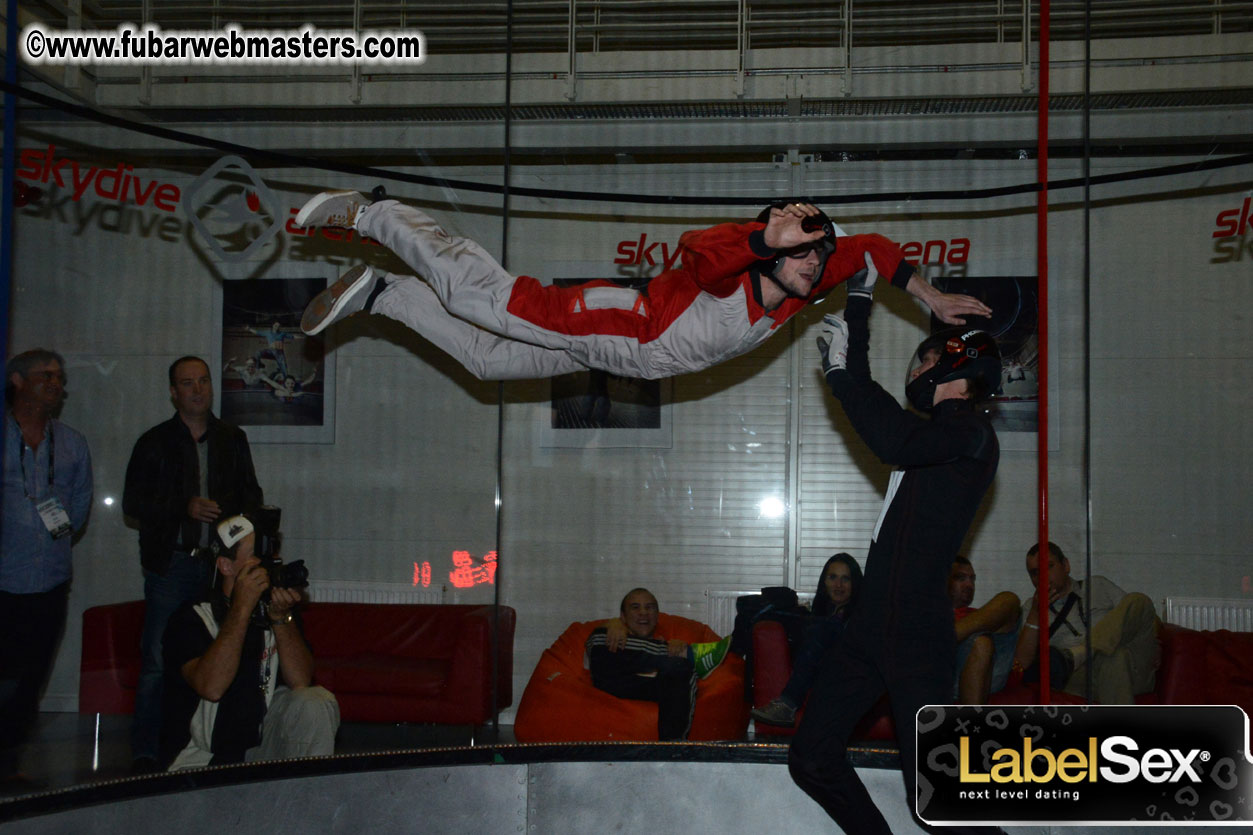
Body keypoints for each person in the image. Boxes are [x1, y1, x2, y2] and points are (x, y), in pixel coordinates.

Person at [291, 191, 991, 380]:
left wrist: (925, 294)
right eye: (802, 250)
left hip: (622, 360)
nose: (815, 262)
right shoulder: (730, 265)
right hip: (622, 324)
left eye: (817, 254)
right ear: (769, 251)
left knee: (486, 360)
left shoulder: (808, 282)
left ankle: (381, 294)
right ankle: (373, 213)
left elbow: (867, 248)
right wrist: (762, 236)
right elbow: (697, 249)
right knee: (480, 295)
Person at [787, 257, 1005, 835]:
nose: (920, 365)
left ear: (956, 364)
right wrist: (858, 304)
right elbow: (892, 429)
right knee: (810, 758)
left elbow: (890, 436)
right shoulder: (934, 435)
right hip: (868, 630)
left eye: (929, 355)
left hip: (915, 637)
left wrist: (843, 368)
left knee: (938, 804)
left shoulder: (970, 434)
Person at [122, 356, 264, 773]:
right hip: (173, 564)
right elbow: (133, 503)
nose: (198, 390)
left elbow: (251, 498)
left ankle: (209, 744)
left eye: (203, 381)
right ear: (173, 392)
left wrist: (237, 530)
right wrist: (183, 507)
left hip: (219, 566)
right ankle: (148, 753)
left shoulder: (232, 438)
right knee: (157, 660)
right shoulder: (154, 442)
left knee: (221, 653)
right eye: (188, 383)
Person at [160, 515, 338, 770]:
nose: (264, 566)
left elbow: (300, 680)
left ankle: (307, 795)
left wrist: (281, 619)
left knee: (315, 701)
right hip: (202, 758)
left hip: (260, 750)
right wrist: (242, 606)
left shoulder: (275, 611)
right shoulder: (193, 617)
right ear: (225, 565)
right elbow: (211, 687)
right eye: (255, 556)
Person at [0, 350, 92, 788]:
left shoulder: (72, 442)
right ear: (16, 381)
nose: (56, 383)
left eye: (60, 376)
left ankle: (10, 763)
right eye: (46, 375)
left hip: (50, 583)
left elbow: (78, 505)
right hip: (2, 583)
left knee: (30, 678)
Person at [1012, 541, 1158, 704]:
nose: (1042, 577)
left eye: (1049, 566)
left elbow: (1140, 617)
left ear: (1065, 565)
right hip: (1082, 676)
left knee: (1138, 600)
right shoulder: (1030, 609)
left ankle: (1082, 651)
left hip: (1135, 669)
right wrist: (1036, 613)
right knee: (1115, 657)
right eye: (1035, 573)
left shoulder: (1098, 586)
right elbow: (1021, 663)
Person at [585, 588, 731, 741]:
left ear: (657, 616)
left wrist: (674, 654)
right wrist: (612, 624)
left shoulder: (668, 642)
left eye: (650, 607)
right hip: (611, 678)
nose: (643, 612)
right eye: (635, 607)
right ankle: (692, 654)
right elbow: (593, 648)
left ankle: (671, 749)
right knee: (600, 638)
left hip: (644, 685)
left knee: (683, 669)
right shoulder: (611, 630)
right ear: (623, 616)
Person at [751, 552, 863, 726]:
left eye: (845, 579)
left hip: (847, 671)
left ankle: (788, 704)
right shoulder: (823, 612)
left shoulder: (860, 615)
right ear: (824, 582)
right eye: (833, 577)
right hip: (820, 671)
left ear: (854, 584)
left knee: (823, 628)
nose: (838, 585)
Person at [949, 555, 1020, 704]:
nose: (969, 585)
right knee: (982, 643)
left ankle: (946, 638)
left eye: (972, 579)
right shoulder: (930, 615)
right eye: (961, 578)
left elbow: (1020, 662)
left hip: (988, 672)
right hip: (947, 673)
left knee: (1009, 599)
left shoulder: (984, 614)